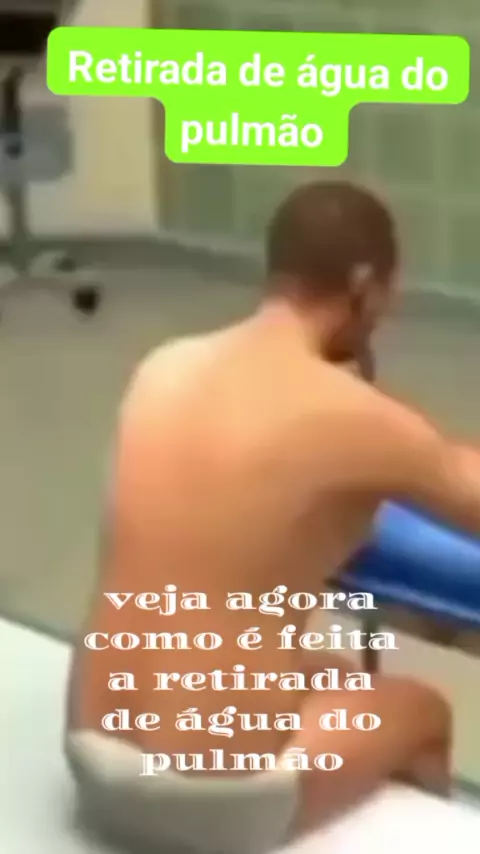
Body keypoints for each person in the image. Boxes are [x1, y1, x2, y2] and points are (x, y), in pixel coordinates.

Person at [66, 181, 479, 854]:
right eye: (389, 292)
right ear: (364, 283)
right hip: (210, 799)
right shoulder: (354, 415)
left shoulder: (164, 366)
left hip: (89, 752)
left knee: (335, 673)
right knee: (422, 713)